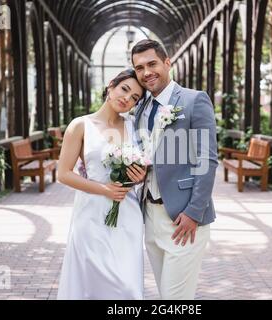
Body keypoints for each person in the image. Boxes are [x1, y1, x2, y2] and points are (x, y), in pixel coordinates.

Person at [131, 39, 218, 300]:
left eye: (152, 64)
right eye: (139, 68)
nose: (146, 72)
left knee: (175, 298)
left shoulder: (194, 100)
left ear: (167, 63)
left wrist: (193, 212)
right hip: (149, 216)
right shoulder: (141, 108)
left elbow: (207, 159)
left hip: (183, 220)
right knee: (164, 293)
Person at [57, 69, 147, 300]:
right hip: (91, 214)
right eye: (124, 89)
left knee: (127, 287)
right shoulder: (80, 125)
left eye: (135, 97)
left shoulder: (135, 127)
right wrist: (104, 189)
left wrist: (140, 175)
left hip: (127, 214)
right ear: (111, 87)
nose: (127, 98)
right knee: (91, 284)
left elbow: (145, 169)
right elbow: (63, 174)